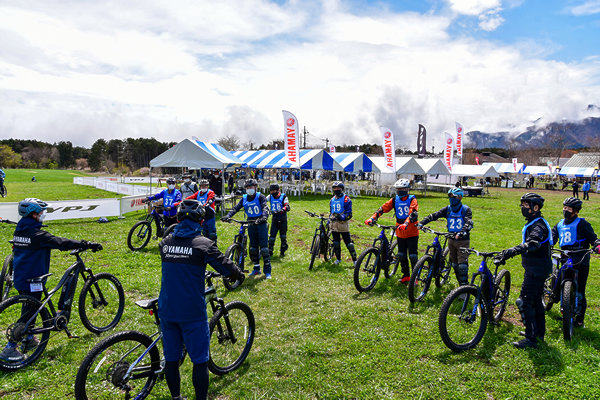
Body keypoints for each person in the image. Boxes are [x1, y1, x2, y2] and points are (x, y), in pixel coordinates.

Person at [159, 200, 244, 400]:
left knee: (171, 359)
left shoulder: (165, 243)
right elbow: (225, 265)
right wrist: (238, 274)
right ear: (201, 220)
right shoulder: (203, 245)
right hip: (192, 312)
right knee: (199, 361)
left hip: (167, 308)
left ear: (178, 218)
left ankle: (176, 397)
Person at [0, 198, 101, 362]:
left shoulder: (20, 231)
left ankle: (29, 338)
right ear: (33, 215)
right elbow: (61, 242)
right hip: (33, 279)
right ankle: (10, 348)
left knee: (30, 308)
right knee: (29, 312)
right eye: (41, 212)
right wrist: (85, 244)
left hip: (20, 277)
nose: (43, 215)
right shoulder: (38, 235)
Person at [493, 193, 552, 349]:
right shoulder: (535, 222)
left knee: (524, 301)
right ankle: (538, 333)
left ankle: (531, 338)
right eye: (522, 205)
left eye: (526, 205)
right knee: (536, 301)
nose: (523, 208)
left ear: (535, 207)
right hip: (537, 267)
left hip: (537, 269)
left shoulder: (538, 226)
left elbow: (533, 243)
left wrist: (511, 251)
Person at [551, 197, 600, 328]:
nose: (565, 210)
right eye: (564, 207)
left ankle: (579, 319)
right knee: (562, 281)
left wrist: (597, 245)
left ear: (576, 211)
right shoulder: (559, 224)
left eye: (569, 209)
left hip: (581, 258)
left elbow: (593, 238)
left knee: (580, 289)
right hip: (566, 257)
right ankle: (563, 308)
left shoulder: (583, 224)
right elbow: (552, 237)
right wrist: (548, 245)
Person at [365, 179, 419, 283]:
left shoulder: (412, 199)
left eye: (402, 189)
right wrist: (373, 218)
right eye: (398, 189)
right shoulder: (395, 200)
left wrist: (406, 223)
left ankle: (415, 277)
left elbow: (413, 213)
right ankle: (406, 275)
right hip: (400, 231)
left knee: (413, 255)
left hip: (411, 231)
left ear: (407, 189)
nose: (399, 191)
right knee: (401, 254)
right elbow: (383, 208)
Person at [419, 187, 473, 286]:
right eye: (450, 196)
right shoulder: (448, 209)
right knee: (454, 264)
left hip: (462, 241)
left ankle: (464, 287)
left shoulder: (465, 209)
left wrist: (461, 233)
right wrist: (422, 222)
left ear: (460, 197)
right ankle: (461, 285)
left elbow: (468, 223)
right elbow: (435, 215)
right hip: (451, 240)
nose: (451, 198)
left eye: (454, 197)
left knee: (462, 265)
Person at [221, 179, 272, 278]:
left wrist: (264, 217)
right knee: (253, 248)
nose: (249, 189)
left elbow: (265, 207)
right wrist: (228, 216)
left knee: (264, 248)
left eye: (251, 187)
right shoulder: (244, 198)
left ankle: (267, 271)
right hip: (251, 223)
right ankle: (256, 268)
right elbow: (236, 208)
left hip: (261, 223)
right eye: (247, 188)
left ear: (255, 187)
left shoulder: (260, 196)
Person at [329, 181, 357, 265]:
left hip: (342, 224)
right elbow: (331, 211)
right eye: (334, 188)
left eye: (338, 188)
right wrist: (329, 220)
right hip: (334, 223)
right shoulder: (332, 200)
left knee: (349, 244)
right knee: (336, 243)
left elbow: (349, 213)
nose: (336, 189)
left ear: (342, 189)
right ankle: (338, 259)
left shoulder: (346, 199)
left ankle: (355, 260)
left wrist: (343, 217)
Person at [266, 183, 290, 257]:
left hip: (282, 218)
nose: (273, 192)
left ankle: (283, 250)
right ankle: (270, 251)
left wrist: (283, 209)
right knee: (272, 236)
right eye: (271, 191)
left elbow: (287, 206)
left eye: (274, 191)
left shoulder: (283, 196)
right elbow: (263, 201)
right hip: (275, 218)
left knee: (283, 236)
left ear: (278, 190)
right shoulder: (270, 196)